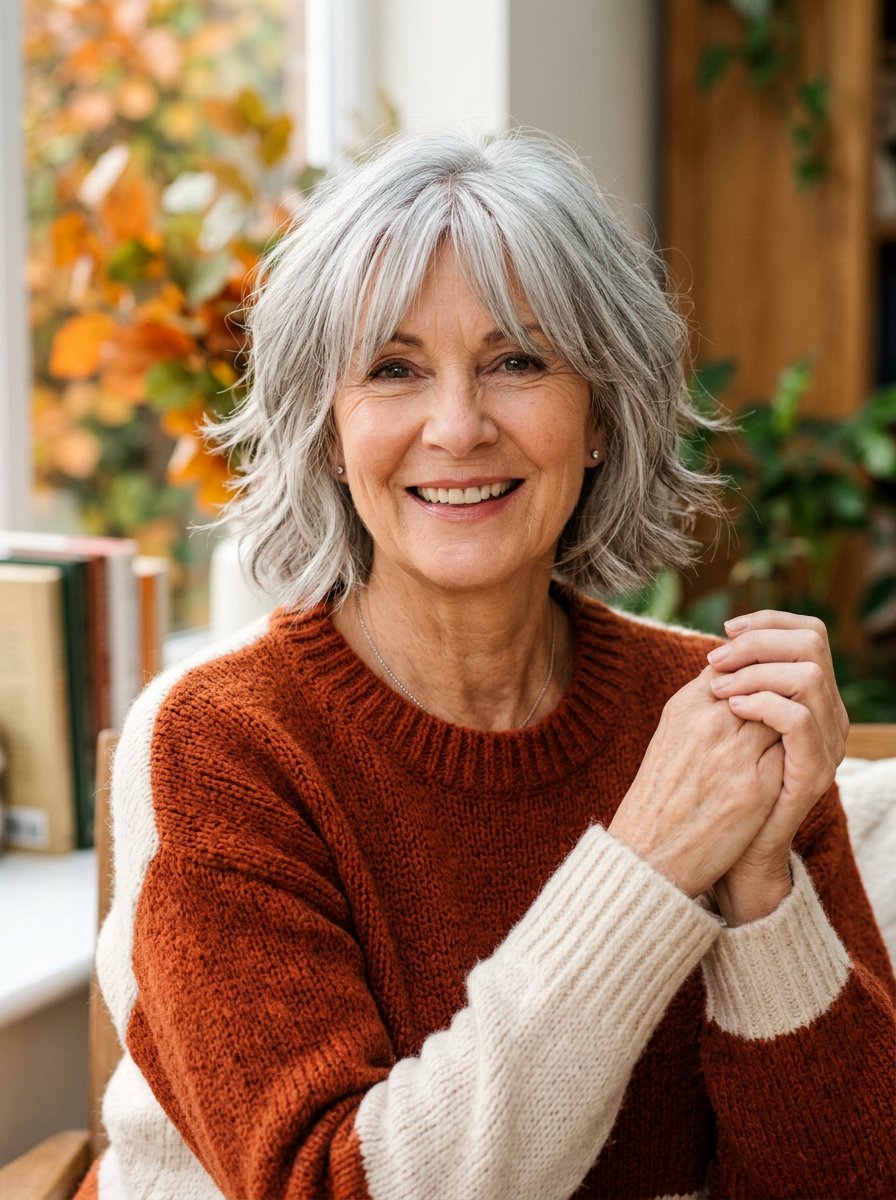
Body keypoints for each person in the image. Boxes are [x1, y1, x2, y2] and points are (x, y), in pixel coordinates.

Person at [78, 130, 894, 1200]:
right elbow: (331, 1190)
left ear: (600, 415)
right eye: (392, 370)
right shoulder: (222, 742)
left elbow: (849, 1179)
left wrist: (756, 886)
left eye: (517, 361)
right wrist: (645, 863)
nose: (456, 427)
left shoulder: (724, 721)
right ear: (327, 433)